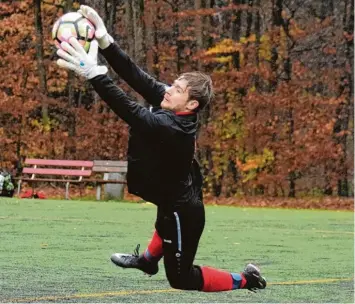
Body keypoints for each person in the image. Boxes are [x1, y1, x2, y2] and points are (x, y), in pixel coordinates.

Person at [56, 5, 267, 293]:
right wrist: (106, 42)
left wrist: (95, 75)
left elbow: (131, 111)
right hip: (172, 198)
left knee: (180, 279)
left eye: (177, 89)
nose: (168, 89)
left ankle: (246, 279)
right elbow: (136, 77)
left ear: (191, 104)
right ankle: (146, 261)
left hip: (184, 212)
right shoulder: (174, 105)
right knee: (164, 220)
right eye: (174, 84)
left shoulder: (174, 128)